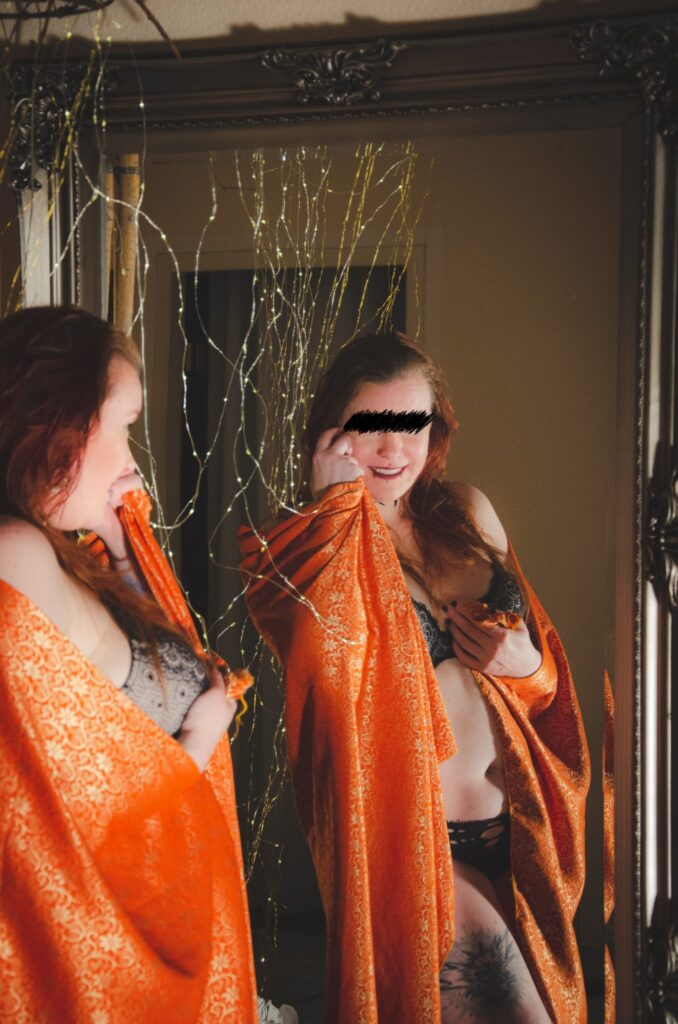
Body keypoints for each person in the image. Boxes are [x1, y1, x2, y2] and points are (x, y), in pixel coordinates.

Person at [239, 332, 590, 1024]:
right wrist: (333, 512)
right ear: (332, 430)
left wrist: (526, 667)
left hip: (521, 830)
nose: (394, 449)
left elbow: (544, 677)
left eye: (413, 425)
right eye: (372, 425)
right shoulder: (298, 543)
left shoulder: (468, 512)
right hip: (420, 845)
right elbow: (325, 675)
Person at [0, 306, 258, 1022]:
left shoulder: (54, 547)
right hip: (128, 968)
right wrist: (201, 736)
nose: (130, 460)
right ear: (54, 423)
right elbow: (59, 826)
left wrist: (117, 542)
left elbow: (143, 660)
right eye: (123, 426)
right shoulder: (16, 557)